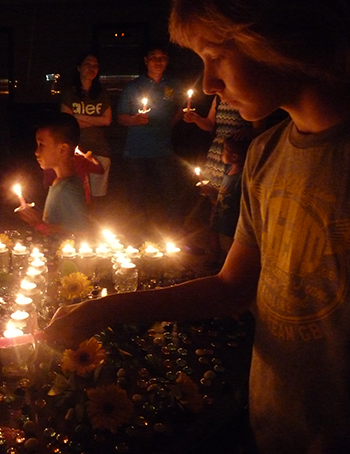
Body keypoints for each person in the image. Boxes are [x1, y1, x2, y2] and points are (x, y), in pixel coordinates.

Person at [45, 0, 350, 453]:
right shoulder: (266, 154)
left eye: (217, 55)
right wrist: (100, 311)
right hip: (276, 423)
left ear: (276, 39)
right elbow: (234, 287)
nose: (209, 82)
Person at [116, 45, 184, 233]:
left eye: (162, 57)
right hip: (136, 151)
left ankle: (176, 235)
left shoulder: (173, 85)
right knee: (136, 197)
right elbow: (121, 116)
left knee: (171, 194)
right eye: (153, 57)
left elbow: (182, 106)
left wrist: (170, 123)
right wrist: (135, 120)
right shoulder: (134, 87)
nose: (158, 61)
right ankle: (138, 236)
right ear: (146, 60)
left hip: (163, 148)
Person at [18, 112, 89, 235]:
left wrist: (38, 223)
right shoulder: (60, 183)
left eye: (42, 145)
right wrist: (36, 217)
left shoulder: (69, 189)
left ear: (62, 149)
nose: (36, 152)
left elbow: (78, 233)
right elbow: (57, 222)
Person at [60, 52, 112, 201]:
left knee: (97, 197)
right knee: (77, 195)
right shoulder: (70, 93)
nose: (92, 68)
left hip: (99, 149)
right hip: (76, 150)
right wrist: (95, 119)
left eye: (95, 65)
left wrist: (78, 117)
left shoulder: (102, 93)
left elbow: (107, 120)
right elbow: (68, 121)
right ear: (79, 67)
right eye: (87, 64)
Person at [184, 96, 264, 190]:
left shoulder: (250, 97)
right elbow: (210, 125)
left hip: (237, 153)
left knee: (232, 190)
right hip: (217, 152)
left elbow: (260, 131)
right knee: (212, 190)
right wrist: (196, 119)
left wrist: (248, 131)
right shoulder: (218, 98)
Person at [208, 135, 249, 263]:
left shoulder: (241, 178)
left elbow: (237, 200)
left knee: (229, 248)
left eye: (225, 150)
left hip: (230, 223)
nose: (222, 153)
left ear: (235, 157)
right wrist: (210, 191)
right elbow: (224, 193)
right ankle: (217, 263)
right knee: (217, 240)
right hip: (220, 217)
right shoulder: (228, 170)